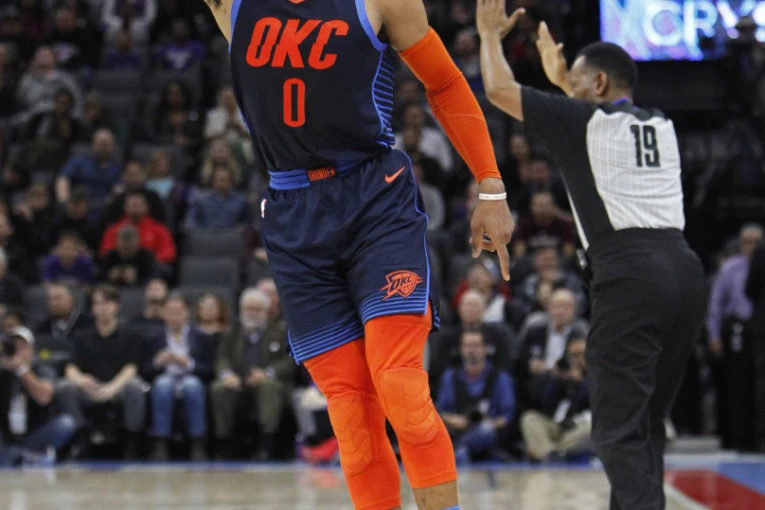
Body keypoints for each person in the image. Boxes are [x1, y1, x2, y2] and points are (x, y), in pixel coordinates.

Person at [204, 0, 515, 506]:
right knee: (351, 413)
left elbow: (444, 82)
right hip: (292, 211)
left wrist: (491, 186)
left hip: (374, 197)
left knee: (400, 387)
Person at [475, 4, 706, 509]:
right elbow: (594, 116)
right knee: (644, 425)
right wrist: (566, 81)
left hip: (631, 274)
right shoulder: (660, 123)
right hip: (685, 273)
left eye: (577, 83)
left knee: (615, 430)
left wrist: (488, 36)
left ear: (598, 83)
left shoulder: (584, 122)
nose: (569, 91)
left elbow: (498, 89)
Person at [55, 284, 146, 459]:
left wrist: (111, 388)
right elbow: (70, 368)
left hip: (118, 388)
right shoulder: (81, 337)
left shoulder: (130, 336)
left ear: (116, 306)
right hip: (90, 388)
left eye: (106, 303)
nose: (102, 308)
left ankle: (132, 441)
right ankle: (80, 438)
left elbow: (131, 368)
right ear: (93, 308)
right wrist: (81, 381)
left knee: (134, 386)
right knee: (65, 387)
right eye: (97, 303)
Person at [211, 288, 293, 459]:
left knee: (268, 386)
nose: (252, 313)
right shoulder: (232, 331)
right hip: (238, 382)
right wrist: (227, 375)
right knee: (219, 388)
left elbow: (289, 361)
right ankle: (224, 443)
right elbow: (222, 358)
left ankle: (267, 445)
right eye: (248, 309)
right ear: (241, 310)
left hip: (270, 383)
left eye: (257, 309)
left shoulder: (280, 331)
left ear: (266, 312)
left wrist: (267, 373)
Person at [707, 224, 762, 450]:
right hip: (736, 329)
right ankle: (735, 437)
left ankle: (757, 438)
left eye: (755, 242)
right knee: (736, 385)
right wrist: (714, 335)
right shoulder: (730, 268)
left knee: (758, 385)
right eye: (747, 242)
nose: (751, 247)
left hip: (758, 330)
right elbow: (715, 304)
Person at [142, 293, 214, 461]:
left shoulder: (202, 337)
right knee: (163, 385)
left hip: (191, 377)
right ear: (163, 313)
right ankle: (161, 442)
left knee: (192, 386)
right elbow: (144, 370)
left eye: (178, 312)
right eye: (170, 312)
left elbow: (210, 370)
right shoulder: (153, 337)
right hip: (165, 376)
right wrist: (157, 362)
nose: (174, 316)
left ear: (187, 312)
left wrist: (189, 364)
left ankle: (197, 442)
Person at [0, 326, 77, 466]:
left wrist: (22, 370)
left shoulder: (42, 369)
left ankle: (27, 455)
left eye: (23, 347)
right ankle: (22, 456)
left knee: (66, 423)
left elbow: (44, 397)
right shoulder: (3, 371)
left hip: (35, 432)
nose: (18, 351)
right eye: (14, 347)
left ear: (32, 349)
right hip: (6, 436)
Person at [436, 329, 515, 464]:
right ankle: (459, 450)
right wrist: (454, 420)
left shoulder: (500, 378)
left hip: (488, 436)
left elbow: (507, 416)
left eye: (476, 345)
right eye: (467, 346)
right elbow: (440, 412)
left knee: (485, 431)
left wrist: (490, 423)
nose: (471, 350)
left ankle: (457, 450)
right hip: (456, 431)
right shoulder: (450, 377)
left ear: (486, 348)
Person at [520, 334, 591, 462]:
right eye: (573, 356)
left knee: (593, 428)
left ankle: (548, 453)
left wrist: (580, 381)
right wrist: (555, 378)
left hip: (577, 428)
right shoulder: (563, 375)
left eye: (581, 355)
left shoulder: (596, 376)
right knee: (529, 418)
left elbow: (591, 400)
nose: (577, 360)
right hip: (555, 425)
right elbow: (545, 401)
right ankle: (551, 455)